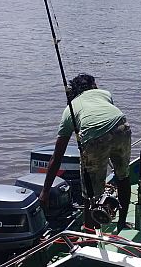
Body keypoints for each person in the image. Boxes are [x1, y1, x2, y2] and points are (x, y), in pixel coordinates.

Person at [40, 73, 132, 229]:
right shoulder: (105, 93)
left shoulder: (69, 110)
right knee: (123, 176)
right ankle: (122, 223)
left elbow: (57, 156)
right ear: (93, 86)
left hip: (94, 138)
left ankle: (89, 233)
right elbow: (108, 119)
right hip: (122, 127)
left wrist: (45, 191)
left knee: (89, 191)